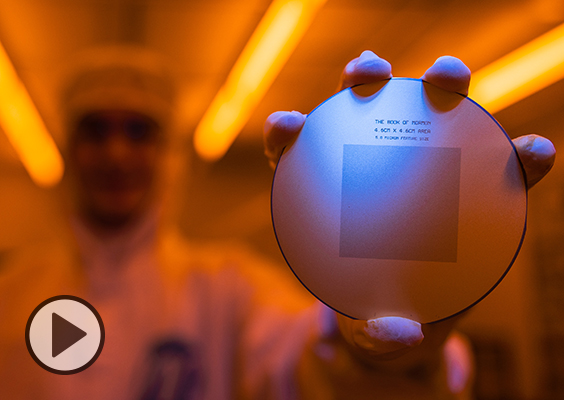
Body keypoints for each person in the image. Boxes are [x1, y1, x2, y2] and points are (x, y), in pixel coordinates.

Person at [0, 46, 555, 400]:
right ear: (69, 148)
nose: (117, 154)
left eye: (139, 131)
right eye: (96, 130)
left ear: (169, 154)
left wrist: (377, 357)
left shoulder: (229, 290)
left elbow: (302, 370)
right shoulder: (11, 290)